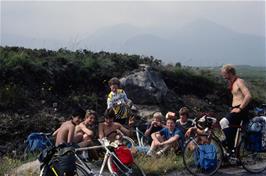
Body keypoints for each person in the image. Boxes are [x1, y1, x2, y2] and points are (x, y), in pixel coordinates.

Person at [219, 64, 252, 151]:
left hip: (241, 110)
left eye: (224, 73)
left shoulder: (239, 81)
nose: (223, 75)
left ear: (230, 73)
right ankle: (232, 151)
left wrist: (240, 108)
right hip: (236, 109)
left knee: (223, 122)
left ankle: (231, 148)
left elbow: (248, 96)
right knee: (231, 130)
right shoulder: (232, 83)